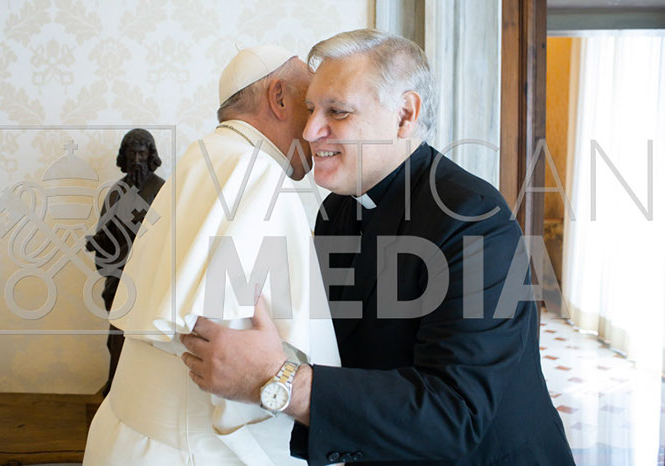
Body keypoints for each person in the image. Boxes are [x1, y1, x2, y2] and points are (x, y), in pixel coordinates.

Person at [180, 29, 575, 465]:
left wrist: (279, 381)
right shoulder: (336, 210)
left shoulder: (474, 220)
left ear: (405, 115)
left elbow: (454, 413)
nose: (310, 130)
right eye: (310, 108)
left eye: (337, 111)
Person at [83, 45, 340, 465]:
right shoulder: (258, 174)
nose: (315, 129)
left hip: (130, 437)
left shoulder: (201, 156)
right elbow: (236, 368)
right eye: (310, 106)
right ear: (278, 97)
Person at [85, 128, 165, 393]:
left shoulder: (162, 190)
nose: (137, 160)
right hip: (120, 275)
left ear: (151, 155)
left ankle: (146, 389)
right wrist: (98, 242)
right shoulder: (116, 193)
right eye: (132, 154)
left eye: (142, 153)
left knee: (148, 338)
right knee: (118, 335)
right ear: (124, 156)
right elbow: (106, 235)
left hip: (151, 274)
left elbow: (172, 234)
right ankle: (117, 387)